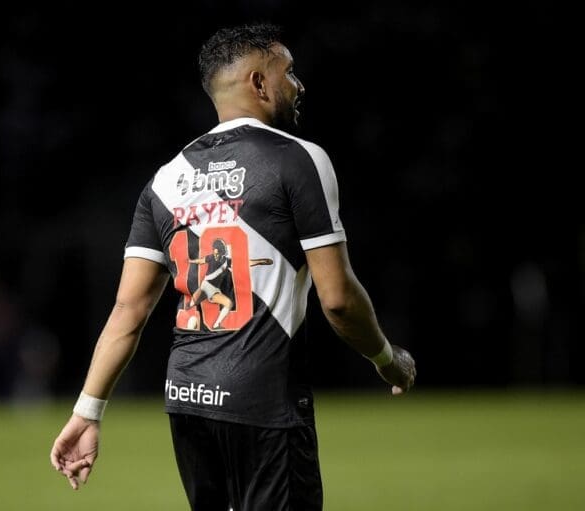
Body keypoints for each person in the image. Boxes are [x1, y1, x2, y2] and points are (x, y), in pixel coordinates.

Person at [50, 22, 416, 510]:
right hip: (263, 402)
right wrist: (387, 358)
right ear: (259, 83)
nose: (298, 84)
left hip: (188, 401)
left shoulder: (166, 178)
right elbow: (338, 300)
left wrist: (87, 411)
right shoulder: (299, 160)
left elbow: (128, 310)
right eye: (289, 72)